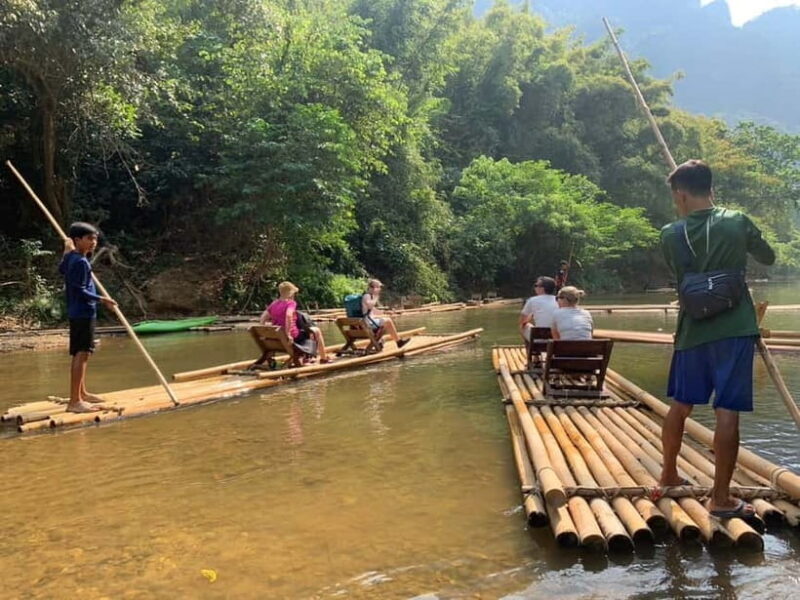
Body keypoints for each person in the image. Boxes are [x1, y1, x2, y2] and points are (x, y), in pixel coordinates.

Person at [658, 159, 775, 519]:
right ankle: (720, 499)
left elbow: (683, 276)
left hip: (691, 329)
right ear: (711, 188)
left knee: (680, 406)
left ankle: (668, 474)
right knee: (727, 411)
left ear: (680, 195)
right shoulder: (736, 220)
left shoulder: (670, 233)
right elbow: (768, 258)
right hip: (734, 328)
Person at [59, 222, 117, 413]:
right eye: (89, 238)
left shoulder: (71, 258)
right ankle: (75, 401)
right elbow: (80, 290)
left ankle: (81, 393)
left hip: (77, 312)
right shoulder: (81, 262)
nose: (94, 242)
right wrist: (103, 299)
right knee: (82, 353)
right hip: (83, 313)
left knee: (82, 353)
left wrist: (66, 251)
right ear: (77, 240)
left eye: (95, 238)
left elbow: (62, 270)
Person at [260, 281, 330, 363]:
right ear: (290, 293)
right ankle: (323, 358)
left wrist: (264, 332)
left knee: (307, 332)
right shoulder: (290, 303)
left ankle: (307, 356)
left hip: (278, 337)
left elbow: (263, 318)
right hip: (291, 337)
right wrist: (289, 334)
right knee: (315, 331)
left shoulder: (274, 304)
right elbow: (289, 315)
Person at [361, 279, 410, 348]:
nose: (380, 289)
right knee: (388, 321)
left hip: (367, 321)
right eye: (378, 287)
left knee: (383, 320)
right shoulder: (367, 296)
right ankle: (398, 341)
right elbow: (370, 305)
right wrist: (376, 296)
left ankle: (380, 341)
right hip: (367, 323)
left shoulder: (368, 296)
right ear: (373, 288)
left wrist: (385, 312)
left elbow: (373, 310)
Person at [519, 276, 558, 342]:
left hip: (539, 339)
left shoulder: (532, 300)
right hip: (556, 338)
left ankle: (530, 349)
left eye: (536, 285)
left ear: (542, 288)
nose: (535, 287)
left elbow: (522, 320)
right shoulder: (559, 300)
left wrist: (530, 317)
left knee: (523, 326)